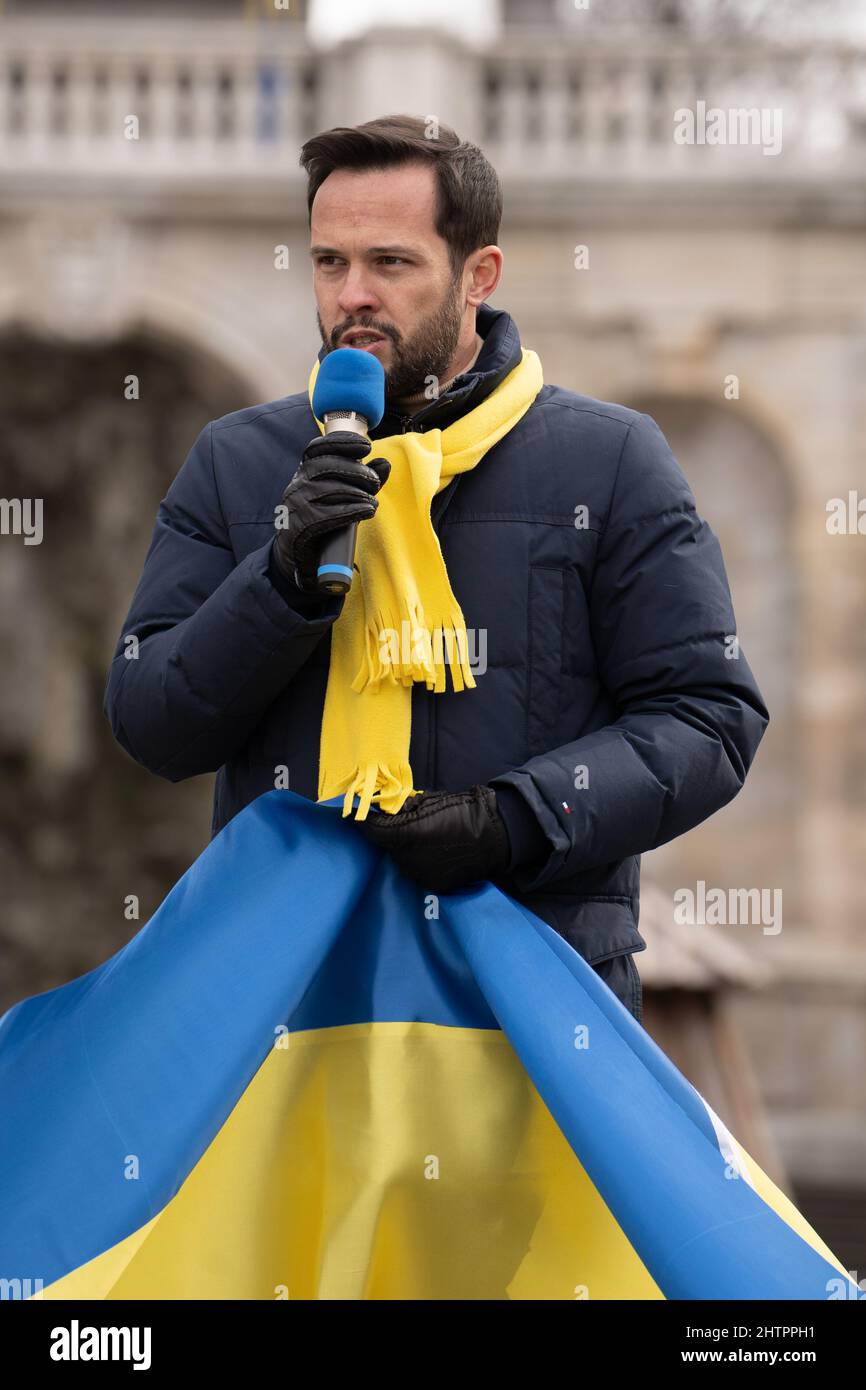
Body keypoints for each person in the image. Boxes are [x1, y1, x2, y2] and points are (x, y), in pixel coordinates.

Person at [103, 114, 769, 1023]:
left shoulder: (609, 460)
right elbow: (152, 723)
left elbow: (711, 719)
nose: (353, 296)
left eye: (391, 262)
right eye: (329, 263)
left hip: (527, 1005)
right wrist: (279, 585)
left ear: (477, 275)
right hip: (285, 1002)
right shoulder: (236, 460)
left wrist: (516, 821)